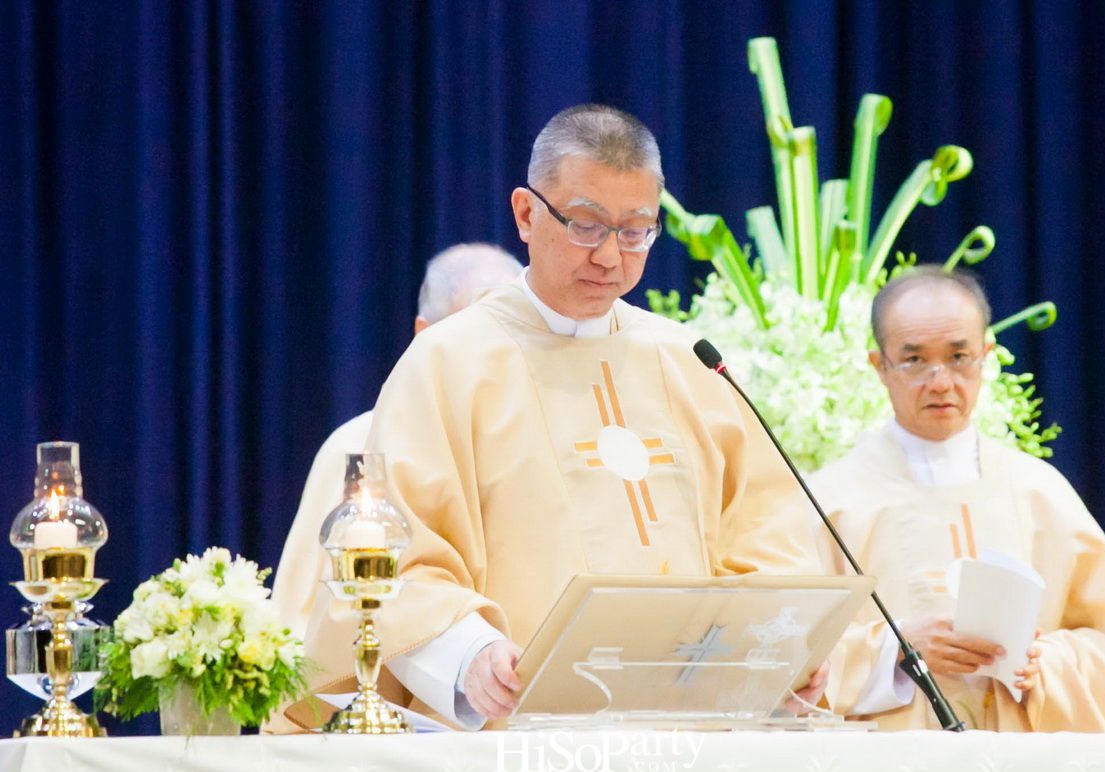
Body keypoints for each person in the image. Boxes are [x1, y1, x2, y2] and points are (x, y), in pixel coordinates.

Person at [281, 104, 825, 731]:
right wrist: (469, 656)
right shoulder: (448, 362)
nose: (610, 257)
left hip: (688, 739)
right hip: (523, 732)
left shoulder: (689, 363)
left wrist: (779, 653)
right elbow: (400, 553)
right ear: (525, 213)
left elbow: (764, 538)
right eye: (586, 224)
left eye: (635, 231)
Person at [810, 266, 1105, 732]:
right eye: (915, 360)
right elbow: (786, 656)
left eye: (959, 357)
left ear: (987, 356)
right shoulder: (828, 502)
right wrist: (894, 649)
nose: (940, 381)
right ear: (879, 367)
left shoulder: (1040, 493)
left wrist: (1043, 665)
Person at [270, 243, 522, 638]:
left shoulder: (535, 442)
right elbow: (301, 621)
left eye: (510, 333)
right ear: (424, 334)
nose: (493, 354)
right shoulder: (362, 444)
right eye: (474, 332)